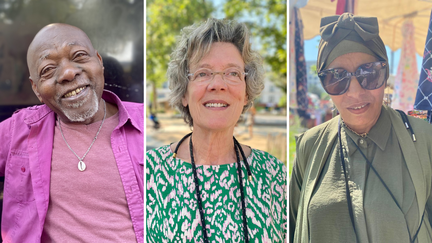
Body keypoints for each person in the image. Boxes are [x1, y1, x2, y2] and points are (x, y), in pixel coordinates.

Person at [290, 13, 432, 243]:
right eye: (337, 77)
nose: (355, 92)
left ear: (385, 74)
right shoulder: (310, 145)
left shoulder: (423, 139)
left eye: (369, 72)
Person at [146, 18, 287, 242]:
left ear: (246, 94)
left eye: (232, 73)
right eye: (203, 73)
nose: (218, 84)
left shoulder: (274, 175)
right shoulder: (149, 171)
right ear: (184, 93)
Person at [0, 23, 144, 242]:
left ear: (99, 61)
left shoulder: (143, 124)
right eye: (47, 69)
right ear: (36, 88)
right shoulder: (19, 129)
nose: (68, 73)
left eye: (79, 55)